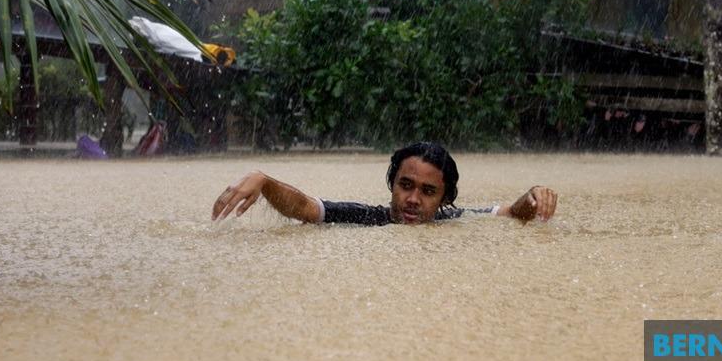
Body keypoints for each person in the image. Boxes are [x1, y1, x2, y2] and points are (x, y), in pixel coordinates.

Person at [212, 141, 558, 226]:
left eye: (428, 191)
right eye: (405, 185)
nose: (412, 199)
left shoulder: (452, 220)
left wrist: (533, 196)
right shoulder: (366, 218)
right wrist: (264, 181)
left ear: (445, 199)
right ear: (392, 183)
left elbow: (511, 212)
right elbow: (305, 206)